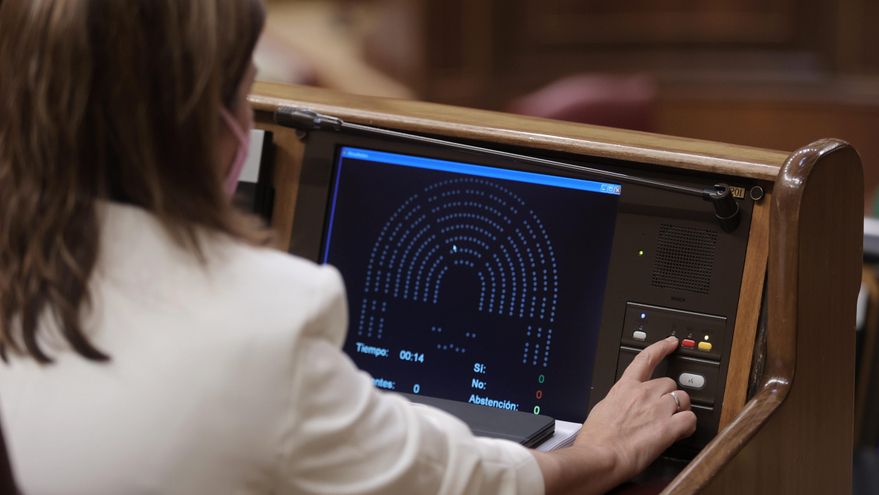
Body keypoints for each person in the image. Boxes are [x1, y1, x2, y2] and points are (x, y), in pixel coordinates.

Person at [0, 1, 697, 493]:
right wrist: (602, 452)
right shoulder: (263, 321)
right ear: (210, 130)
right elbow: (458, 483)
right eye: (245, 93)